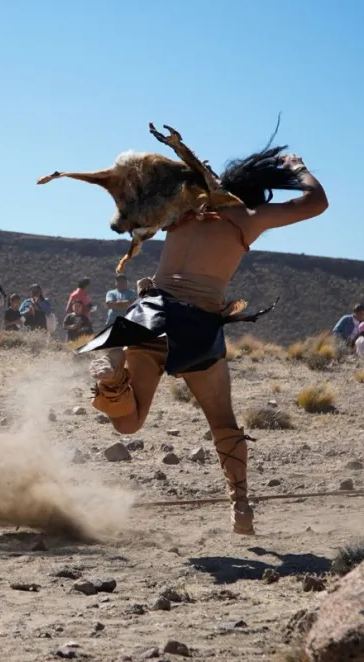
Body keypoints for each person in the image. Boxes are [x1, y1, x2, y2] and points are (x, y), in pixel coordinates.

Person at [81, 152, 328, 535]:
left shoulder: (182, 210)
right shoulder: (247, 217)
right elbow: (316, 202)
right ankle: (240, 506)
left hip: (148, 313)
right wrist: (297, 169)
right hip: (195, 324)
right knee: (222, 422)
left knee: (128, 424)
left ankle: (112, 380)